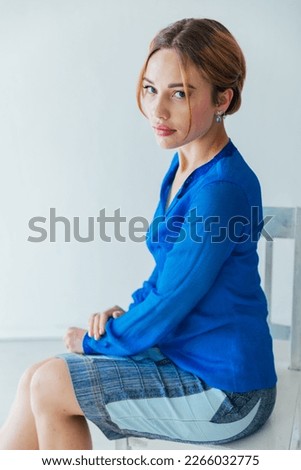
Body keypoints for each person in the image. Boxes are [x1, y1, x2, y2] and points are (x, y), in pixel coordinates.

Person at [0, 18, 277, 450]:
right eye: (151, 89)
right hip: (184, 353)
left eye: (179, 94)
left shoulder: (219, 191)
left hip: (228, 392)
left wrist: (97, 342)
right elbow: (168, 279)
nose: (157, 110)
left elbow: (170, 302)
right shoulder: (184, 166)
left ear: (223, 98)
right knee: (35, 375)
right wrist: (125, 319)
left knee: (51, 384)